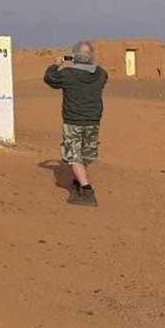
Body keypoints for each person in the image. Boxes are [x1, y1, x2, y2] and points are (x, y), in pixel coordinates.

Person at [44, 41, 109, 206]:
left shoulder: (67, 74)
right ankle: (78, 181)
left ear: (74, 56)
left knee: (74, 154)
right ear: (91, 56)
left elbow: (50, 79)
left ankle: (87, 190)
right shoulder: (101, 73)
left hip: (73, 120)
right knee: (86, 154)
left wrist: (55, 65)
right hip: (93, 120)